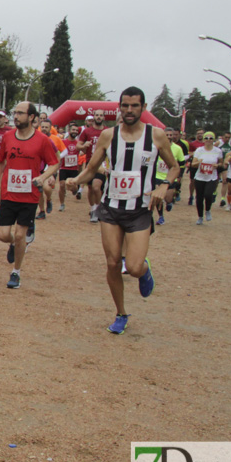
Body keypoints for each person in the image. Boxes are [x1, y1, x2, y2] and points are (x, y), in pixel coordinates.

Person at [66, 87, 179, 335]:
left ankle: (144, 270)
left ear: (143, 107)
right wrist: (77, 180)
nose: (129, 110)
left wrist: (164, 186)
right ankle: (121, 313)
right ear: (119, 107)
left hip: (139, 210)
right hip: (111, 208)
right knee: (113, 262)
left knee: (134, 267)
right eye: (125, 106)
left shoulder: (157, 135)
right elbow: (93, 167)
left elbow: (174, 167)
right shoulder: (108, 136)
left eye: (134, 106)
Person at [0, 101, 59, 289]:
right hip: (9, 194)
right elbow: (0, 161)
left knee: (21, 235)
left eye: (20, 113)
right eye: (15, 112)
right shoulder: (8, 137)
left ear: (31, 117)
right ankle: (13, 244)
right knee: (4, 235)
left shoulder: (42, 140)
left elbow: (55, 163)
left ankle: (16, 272)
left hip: (29, 196)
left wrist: (43, 177)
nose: (16, 116)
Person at [188, 132, 223, 225]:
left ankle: (207, 210)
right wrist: (198, 162)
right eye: (206, 138)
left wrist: (217, 165)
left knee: (208, 194)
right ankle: (200, 217)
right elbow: (193, 164)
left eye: (211, 138)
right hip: (200, 177)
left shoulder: (218, 151)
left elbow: (221, 163)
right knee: (199, 197)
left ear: (213, 140)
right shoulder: (199, 150)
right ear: (203, 140)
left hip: (211, 177)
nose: (208, 140)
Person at [76, 114, 105, 223]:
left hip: (102, 163)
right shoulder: (87, 131)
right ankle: (93, 208)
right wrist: (84, 146)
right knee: (91, 189)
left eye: (100, 115)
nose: (98, 117)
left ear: (103, 118)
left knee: (97, 187)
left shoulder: (107, 131)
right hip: (90, 162)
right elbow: (78, 145)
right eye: (96, 115)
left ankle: (98, 209)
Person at [155, 127, 185, 226]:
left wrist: (179, 175)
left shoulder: (177, 148)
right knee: (158, 198)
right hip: (158, 176)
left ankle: (169, 203)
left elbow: (182, 163)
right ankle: (161, 217)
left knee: (167, 198)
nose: (168, 137)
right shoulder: (157, 146)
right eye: (166, 135)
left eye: (170, 135)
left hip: (171, 176)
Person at [56, 123, 82, 211]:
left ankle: (75, 190)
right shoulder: (63, 142)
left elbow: (83, 151)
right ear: (69, 131)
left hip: (74, 168)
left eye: (76, 130)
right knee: (62, 185)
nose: (74, 131)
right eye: (73, 130)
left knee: (74, 187)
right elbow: (57, 151)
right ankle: (62, 204)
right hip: (64, 168)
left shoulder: (78, 143)